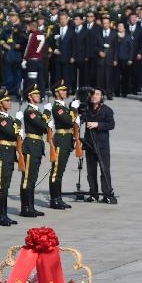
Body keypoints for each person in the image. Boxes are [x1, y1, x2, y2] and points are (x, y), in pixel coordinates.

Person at [45, 80, 79, 209]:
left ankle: (58, 198)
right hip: (61, 139)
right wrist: (74, 108)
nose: (66, 92)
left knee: (60, 171)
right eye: (63, 90)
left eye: (65, 90)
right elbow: (70, 121)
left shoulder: (64, 107)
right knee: (56, 172)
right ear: (57, 93)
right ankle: (54, 199)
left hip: (67, 139)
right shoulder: (57, 108)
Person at [83, 87, 116, 203]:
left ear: (101, 97)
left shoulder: (107, 110)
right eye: (92, 94)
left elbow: (111, 125)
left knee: (104, 170)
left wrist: (97, 124)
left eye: (97, 94)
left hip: (102, 145)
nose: (94, 96)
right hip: (89, 144)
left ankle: (107, 194)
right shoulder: (86, 109)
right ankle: (93, 193)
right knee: (91, 171)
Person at [19, 83, 48, 218]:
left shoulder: (36, 111)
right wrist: (47, 114)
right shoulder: (30, 112)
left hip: (36, 146)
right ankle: (25, 208)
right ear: (30, 97)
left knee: (33, 178)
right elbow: (42, 125)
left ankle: (31, 206)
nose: (39, 96)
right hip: (30, 146)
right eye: (36, 94)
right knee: (27, 179)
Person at [0, 89, 20, 227]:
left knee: (5, 186)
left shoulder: (8, 118)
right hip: (3, 153)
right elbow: (13, 133)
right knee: (0, 187)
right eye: (7, 101)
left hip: (9, 154)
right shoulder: (2, 119)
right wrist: (19, 124)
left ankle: (4, 215)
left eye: (9, 100)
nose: (9, 103)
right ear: (0, 103)